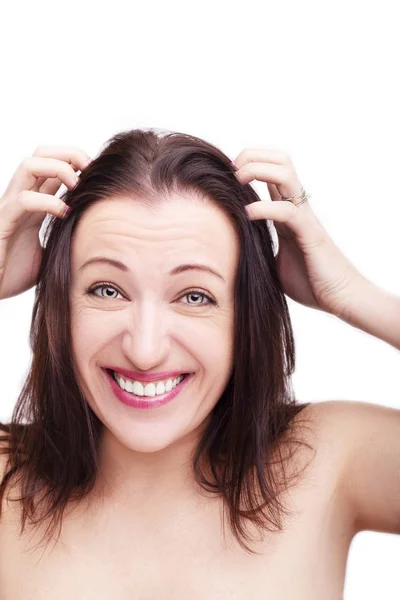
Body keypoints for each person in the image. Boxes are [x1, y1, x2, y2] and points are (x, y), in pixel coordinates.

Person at [0, 128, 398, 598]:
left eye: (194, 296)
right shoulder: (9, 479)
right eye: (107, 290)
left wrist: (350, 294)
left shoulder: (330, 460)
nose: (144, 351)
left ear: (245, 316)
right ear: (61, 305)